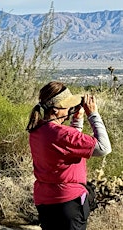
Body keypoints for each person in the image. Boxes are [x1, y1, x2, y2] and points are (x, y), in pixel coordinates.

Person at [26, 81, 112, 230]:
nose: (70, 109)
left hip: (46, 203)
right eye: (67, 106)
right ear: (56, 110)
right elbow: (104, 148)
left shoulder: (37, 131)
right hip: (69, 204)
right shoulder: (62, 134)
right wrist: (93, 115)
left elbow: (70, 146)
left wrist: (77, 120)